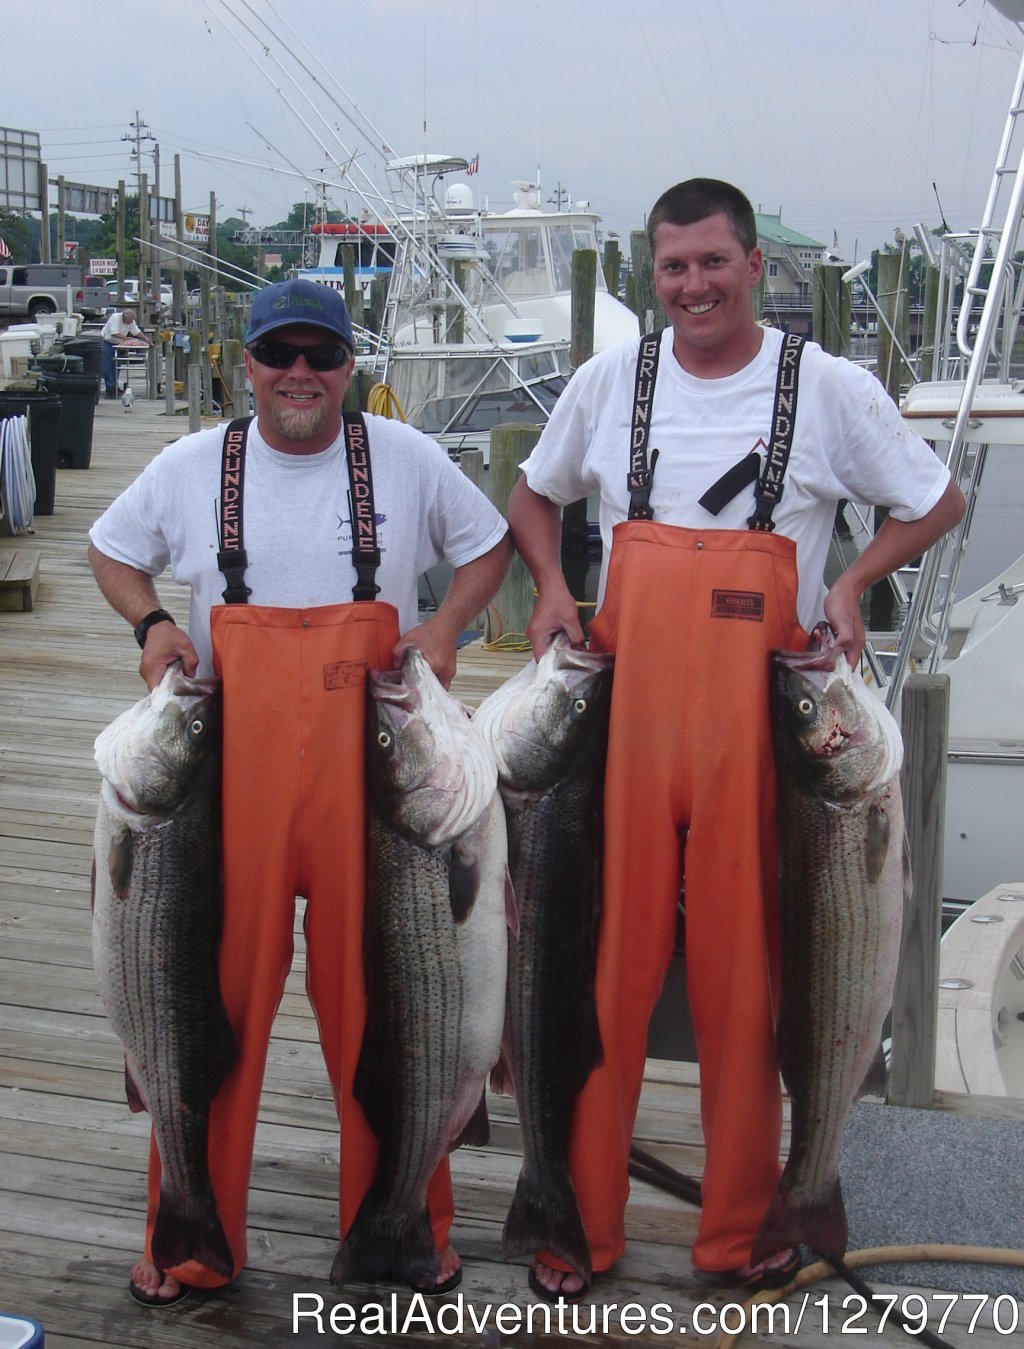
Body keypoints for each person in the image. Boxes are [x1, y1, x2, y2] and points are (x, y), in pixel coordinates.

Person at [506, 178, 965, 1301]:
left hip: (763, 740)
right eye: (673, 268)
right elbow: (532, 496)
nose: (694, 286)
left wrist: (854, 580)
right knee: (597, 982)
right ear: (649, 277)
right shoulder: (610, 381)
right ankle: (577, 1220)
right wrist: (554, 588)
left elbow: (936, 500)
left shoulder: (830, 389)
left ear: (756, 265)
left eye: (713, 263)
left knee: (745, 992)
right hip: (619, 734)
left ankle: (742, 1235)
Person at [88, 279, 512, 1306]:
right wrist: (154, 628)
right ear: (249, 363)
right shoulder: (193, 467)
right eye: (281, 353)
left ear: (350, 366)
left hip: (383, 787)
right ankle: (189, 1236)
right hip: (227, 789)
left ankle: (406, 1232)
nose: (301, 374)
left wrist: (446, 625)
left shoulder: (406, 461)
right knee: (205, 1005)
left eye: (322, 354)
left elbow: (489, 546)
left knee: (394, 1008)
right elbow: (109, 551)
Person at [101, 306, 149, 399]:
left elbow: (136, 331)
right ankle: (110, 387)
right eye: (129, 321)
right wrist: (128, 339)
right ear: (124, 317)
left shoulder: (130, 321)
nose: (130, 323)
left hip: (118, 343)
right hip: (107, 342)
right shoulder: (115, 318)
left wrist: (145, 338)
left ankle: (115, 385)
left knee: (117, 365)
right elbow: (114, 333)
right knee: (107, 365)